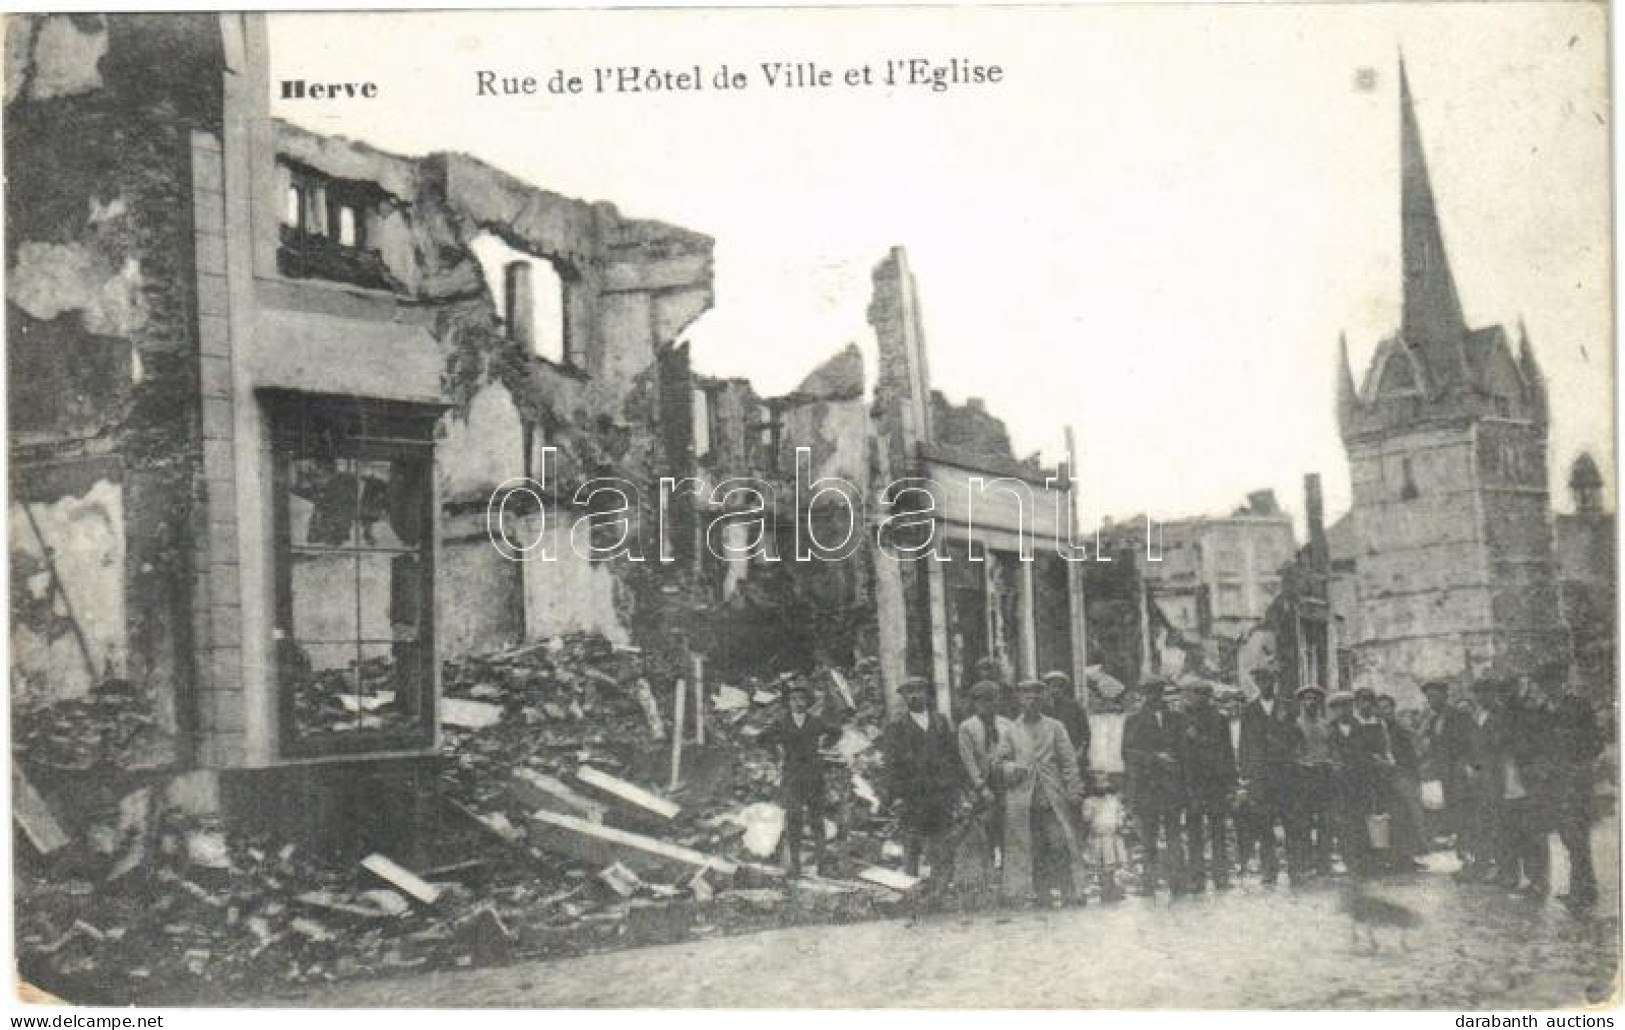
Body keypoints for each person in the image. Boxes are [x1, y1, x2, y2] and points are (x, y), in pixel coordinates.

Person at [1002, 679, 1089, 906]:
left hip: (1052, 794)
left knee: (1059, 842)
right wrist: (1011, 769)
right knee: (1034, 846)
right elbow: (1000, 761)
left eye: (1036, 697)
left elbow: (1069, 761)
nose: (1031, 702)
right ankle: (1042, 894)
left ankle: (1069, 890)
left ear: (1043, 700)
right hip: (1023, 797)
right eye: (1026, 697)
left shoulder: (1055, 727)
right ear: (1019, 700)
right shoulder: (1011, 730)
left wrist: (1074, 789)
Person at [883, 676, 964, 899]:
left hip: (940, 794)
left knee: (941, 844)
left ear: (927, 694)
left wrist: (956, 791)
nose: (914, 695)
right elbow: (891, 765)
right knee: (911, 845)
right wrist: (894, 796)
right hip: (912, 795)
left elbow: (954, 758)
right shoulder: (896, 727)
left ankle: (938, 893)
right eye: (908, 692)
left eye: (918, 690)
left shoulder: (941, 722)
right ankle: (911, 894)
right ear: (903, 697)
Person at [764, 680, 839, 878]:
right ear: (788, 702)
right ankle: (795, 866)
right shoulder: (782, 723)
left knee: (817, 820)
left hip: (814, 776)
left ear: (808, 702)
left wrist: (825, 747)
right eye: (794, 699)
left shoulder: (815, 722)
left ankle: (823, 865)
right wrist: (776, 752)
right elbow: (762, 738)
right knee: (794, 819)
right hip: (792, 776)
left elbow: (836, 732)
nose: (798, 702)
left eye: (802, 699)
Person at [1123, 679, 1189, 894]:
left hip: (1172, 785)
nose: (1155, 697)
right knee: (1148, 836)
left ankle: (1177, 882)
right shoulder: (1133, 720)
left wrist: (1177, 765)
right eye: (1150, 693)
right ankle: (1149, 883)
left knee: (1174, 834)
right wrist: (1155, 758)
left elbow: (1186, 749)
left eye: (1158, 693)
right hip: (1147, 786)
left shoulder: (1177, 719)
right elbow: (1128, 753)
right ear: (1144, 695)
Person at [1237, 666, 1303, 884]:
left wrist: (1285, 735)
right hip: (1261, 777)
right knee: (1263, 824)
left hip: (1285, 774)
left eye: (1267, 680)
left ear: (1274, 682)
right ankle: (1269, 869)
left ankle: (1295, 868)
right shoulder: (1249, 710)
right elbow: (1245, 744)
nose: (1264, 684)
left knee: (1291, 823)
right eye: (1260, 681)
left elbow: (1297, 738)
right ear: (1256, 683)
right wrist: (1246, 774)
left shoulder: (1288, 707)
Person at [1545, 665, 1602, 909]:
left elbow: (1595, 742)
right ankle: (1580, 887)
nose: (1549, 688)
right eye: (1545, 684)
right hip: (1558, 782)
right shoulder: (1548, 711)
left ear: (1561, 683)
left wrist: (1577, 763)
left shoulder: (1579, 706)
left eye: (1552, 683)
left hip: (1577, 781)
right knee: (1568, 836)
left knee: (1578, 836)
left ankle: (1585, 890)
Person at [957, 679, 1015, 902]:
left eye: (992, 700)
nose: (988, 705)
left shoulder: (1007, 725)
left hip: (1005, 786)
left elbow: (1014, 752)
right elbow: (968, 760)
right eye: (982, 701)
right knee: (983, 837)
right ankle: (985, 885)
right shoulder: (967, 727)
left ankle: (1007, 887)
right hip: (981, 789)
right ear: (975, 703)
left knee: (1007, 835)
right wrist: (981, 787)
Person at [1179, 681, 1236, 890]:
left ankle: (1221, 875)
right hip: (1192, 781)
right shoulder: (1182, 719)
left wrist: (1231, 782)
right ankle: (1197, 876)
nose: (1198, 698)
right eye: (1194, 694)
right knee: (1194, 830)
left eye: (1203, 695)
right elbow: (1180, 752)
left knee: (1218, 829)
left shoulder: (1220, 719)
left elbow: (1227, 751)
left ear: (1209, 697)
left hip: (1215, 781)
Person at [1327, 689, 1377, 876]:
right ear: (1333, 710)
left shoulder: (1360, 728)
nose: (1343, 711)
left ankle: (1363, 861)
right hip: (1339, 784)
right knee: (1343, 824)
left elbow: (1368, 754)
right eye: (1338, 707)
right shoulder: (1329, 729)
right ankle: (1349, 860)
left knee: (1361, 821)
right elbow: (1328, 754)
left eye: (1347, 706)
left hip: (1360, 782)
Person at [1416, 679, 1470, 853]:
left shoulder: (1459, 716)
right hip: (1445, 774)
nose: (1430, 701)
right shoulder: (1433, 721)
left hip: (1459, 773)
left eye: (1434, 696)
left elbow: (1468, 745)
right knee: (1454, 815)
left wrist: (1465, 767)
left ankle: (1471, 857)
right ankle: (1464, 857)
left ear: (1445, 696)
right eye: (1428, 697)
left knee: (1464, 815)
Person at [1377, 693, 1427, 869]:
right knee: (1392, 817)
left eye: (1387, 707)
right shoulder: (1377, 729)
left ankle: (1407, 856)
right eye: (1381, 708)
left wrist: (1408, 771)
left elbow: (1412, 753)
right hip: (1385, 778)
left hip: (1403, 775)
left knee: (1408, 816)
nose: (1384, 711)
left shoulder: (1400, 729)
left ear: (1393, 709)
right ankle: (1393, 857)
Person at [1291, 685, 1336, 877]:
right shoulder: (1295, 724)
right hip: (1303, 777)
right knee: (1304, 821)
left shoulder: (1326, 725)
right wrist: (1301, 762)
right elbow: (1292, 750)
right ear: (1301, 702)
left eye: (1315, 699)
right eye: (1307, 699)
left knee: (1325, 820)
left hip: (1324, 775)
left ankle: (1324, 863)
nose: (1311, 702)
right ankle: (1306, 862)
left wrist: (1331, 762)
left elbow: (1333, 749)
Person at [1042, 670, 1093, 774]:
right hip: (1050, 758)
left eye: (1059, 686)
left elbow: (1085, 732)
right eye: (1052, 686)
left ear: (1064, 688)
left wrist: (1081, 751)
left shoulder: (1074, 707)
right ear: (1047, 688)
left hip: (1073, 753)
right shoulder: (1043, 709)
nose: (1055, 690)